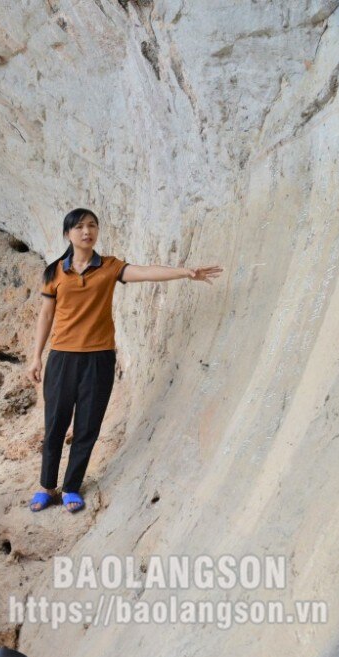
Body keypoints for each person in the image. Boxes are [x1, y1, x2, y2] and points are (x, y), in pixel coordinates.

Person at [28, 208, 222, 512]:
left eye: (92, 226)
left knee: (87, 426)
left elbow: (145, 272)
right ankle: (46, 486)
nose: (86, 231)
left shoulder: (108, 267)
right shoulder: (54, 272)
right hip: (62, 358)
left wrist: (185, 272)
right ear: (68, 234)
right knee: (55, 423)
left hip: (99, 358)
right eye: (79, 227)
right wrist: (36, 357)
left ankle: (70, 488)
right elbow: (46, 315)